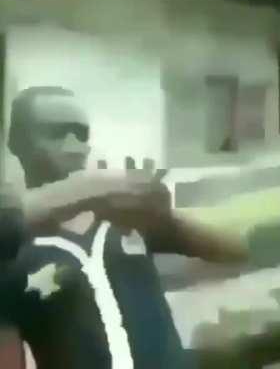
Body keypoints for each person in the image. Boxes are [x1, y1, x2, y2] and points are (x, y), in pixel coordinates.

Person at [0, 86, 249, 369]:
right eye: (56, 133)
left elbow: (235, 251)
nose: (75, 146)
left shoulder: (127, 215)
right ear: (17, 143)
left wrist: (169, 222)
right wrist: (95, 187)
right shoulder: (12, 251)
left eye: (81, 134)